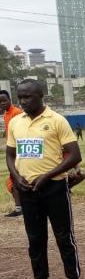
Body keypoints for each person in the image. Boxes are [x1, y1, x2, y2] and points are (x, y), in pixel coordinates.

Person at [5, 79, 85, 279]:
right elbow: (10, 154)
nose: (23, 101)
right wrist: (16, 176)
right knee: (35, 240)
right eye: (20, 97)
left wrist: (48, 175)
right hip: (28, 190)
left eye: (28, 97)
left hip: (54, 189)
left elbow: (74, 155)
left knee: (64, 238)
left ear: (41, 95)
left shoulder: (57, 120)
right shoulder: (15, 123)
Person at [2, 89, 24, 217]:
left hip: (18, 152)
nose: (2, 103)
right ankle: (20, 206)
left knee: (16, 179)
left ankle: (19, 208)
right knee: (13, 180)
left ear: (10, 100)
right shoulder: (6, 114)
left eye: (4, 100)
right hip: (12, 150)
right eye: (0, 102)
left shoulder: (17, 112)